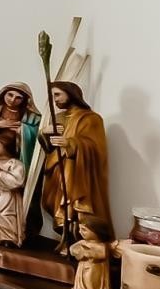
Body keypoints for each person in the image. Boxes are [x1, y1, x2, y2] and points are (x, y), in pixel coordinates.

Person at [40, 80, 113, 244]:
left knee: (75, 210)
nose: (55, 100)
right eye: (53, 96)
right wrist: (45, 133)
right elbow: (49, 149)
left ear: (71, 94)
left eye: (57, 94)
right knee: (61, 210)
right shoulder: (57, 118)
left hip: (77, 174)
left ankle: (77, 242)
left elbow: (96, 148)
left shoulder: (91, 119)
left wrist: (71, 143)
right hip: (58, 172)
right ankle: (65, 241)